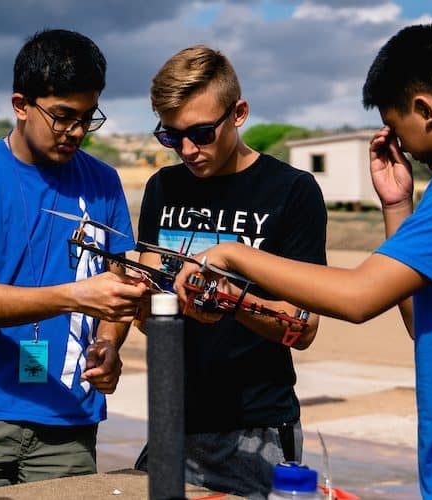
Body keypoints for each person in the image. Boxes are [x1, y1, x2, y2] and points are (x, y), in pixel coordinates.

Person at [174, 24, 432, 498]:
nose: (403, 146)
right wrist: (397, 206)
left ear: (425, 109)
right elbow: (423, 320)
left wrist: (233, 253)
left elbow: (358, 297)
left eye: (397, 128)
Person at [0, 29, 147, 488]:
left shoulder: (105, 182)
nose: (76, 132)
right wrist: (76, 296)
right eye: (63, 116)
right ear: (20, 104)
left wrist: (110, 343)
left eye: (88, 118)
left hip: (68, 417)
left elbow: (118, 288)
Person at [133, 45, 325, 499]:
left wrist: (229, 302)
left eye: (201, 133)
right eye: (170, 136)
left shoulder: (292, 191)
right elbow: (146, 305)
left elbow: (304, 327)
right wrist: (130, 312)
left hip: (259, 430)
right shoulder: (164, 186)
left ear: (238, 113)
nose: (187, 150)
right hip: (174, 419)